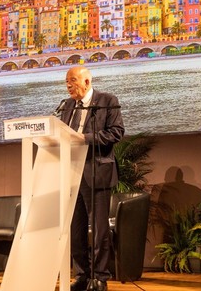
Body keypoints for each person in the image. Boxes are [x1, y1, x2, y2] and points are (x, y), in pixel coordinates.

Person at [57, 66, 125, 291]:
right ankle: (82, 275)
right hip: (71, 174)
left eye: (72, 80)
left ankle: (99, 277)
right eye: (67, 81)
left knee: (98, 230)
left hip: (97, 173)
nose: (68, 85)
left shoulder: (107, 101)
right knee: (75, 231)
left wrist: (84, 138)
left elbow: (116, 132)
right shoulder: (66, 106)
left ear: (86, 82)